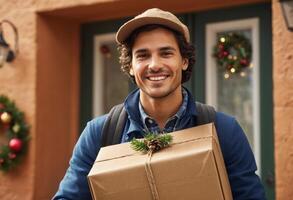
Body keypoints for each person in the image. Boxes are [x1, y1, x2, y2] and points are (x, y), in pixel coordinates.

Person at [53, 8, 266, 200]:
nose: (154, 65)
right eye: (143, 55)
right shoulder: (100, 133)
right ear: (130, 66)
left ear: (184, 61)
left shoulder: (224, 130)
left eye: (166, 53)